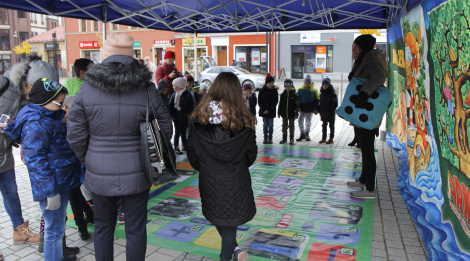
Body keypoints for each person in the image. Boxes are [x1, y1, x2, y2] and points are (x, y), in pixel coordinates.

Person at [66, 32, 173, 261]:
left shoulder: (87, 88)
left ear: (104, 56)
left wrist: (89, 158)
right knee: (135, 228)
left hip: (98, 169)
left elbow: (75, 134)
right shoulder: (146, 87)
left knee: (103, 227)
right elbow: (166, 128)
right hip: (139, 168)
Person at [4, 78, 81, 261]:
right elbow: (36, 162)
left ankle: (58, 256)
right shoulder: (36, 124)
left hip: (60, 181)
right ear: (44, 102)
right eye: (60, 103)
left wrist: (62, 118)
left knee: (57, 228)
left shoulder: (46, 115)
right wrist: (49, 192)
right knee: (53, 231)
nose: (63, 106)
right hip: (52, 186)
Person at [186, 72, 257, 261]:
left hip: (209, 178)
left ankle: (227, 255)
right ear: (236, 91)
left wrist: (207, 166)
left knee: (221, 215)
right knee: (227, 217)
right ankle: (233, 252)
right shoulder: (245, 120)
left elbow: (192, 153)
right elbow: (251, 154)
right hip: (236, 178)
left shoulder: (199, 119)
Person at [0, 55, 56, 255]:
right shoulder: (9, 91)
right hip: (10, 153)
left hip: (5, 154)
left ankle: (21, 231)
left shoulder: (23, 97)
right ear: (28, 83)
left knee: (12, 193)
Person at [346, 34, 389, 199]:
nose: (353, 50)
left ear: (363, 47)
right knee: (364, 149)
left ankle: (370, 189)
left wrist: (365, 93)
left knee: (368, 150)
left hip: (368, 112)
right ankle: (364, 180)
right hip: (363, 112)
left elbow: (379, 77)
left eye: (355, 47)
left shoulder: (371, 61)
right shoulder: (365, 60)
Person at [170, 77, 195, 154]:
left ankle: (184, 145)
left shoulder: (188, 95)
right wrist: (172, 115)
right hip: (176, 118)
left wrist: (189, 114)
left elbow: (192, 105)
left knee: (183, 132)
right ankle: (176, 146)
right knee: (177, 132)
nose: (173, 87)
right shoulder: (174, 95)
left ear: (179, 86)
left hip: (185, 117)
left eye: (174, 86)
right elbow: (171, 106)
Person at [296, 74, 319, 142]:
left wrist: (315, 108)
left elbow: (317, 100)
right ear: (304, 83)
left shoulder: (314, 91)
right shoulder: (300, 90)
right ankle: (302, 133)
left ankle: (307, 133)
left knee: (308, 122)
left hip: (310, 110)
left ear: (311, 83)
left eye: (309, 83)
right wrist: (298, 107)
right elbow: (297, 99)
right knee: (300, 120)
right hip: (302, 109)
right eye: (306, 83)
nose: (307, 85)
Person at [258, 73, 278, 144]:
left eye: (272, 83)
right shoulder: (262, 91)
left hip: (271, 111)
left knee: (271, 124)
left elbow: (275, 102)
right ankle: (265, 137)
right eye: (270, 83)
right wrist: (263, 109)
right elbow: (260, 101)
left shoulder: (275, 91)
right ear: (266, 83)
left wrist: (269, 110)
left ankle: (270, 137)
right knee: (265, 124)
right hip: (264, 111)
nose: (271, 84)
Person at [278, 78, 299, 145]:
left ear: (292, 86)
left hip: (291, 114)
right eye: (287, 86)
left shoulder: (295, 95)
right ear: (285, 87)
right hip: (284, 113)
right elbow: (280, 104)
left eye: (290, 86)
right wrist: (279, 112)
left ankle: (291, 138)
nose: (288, 88)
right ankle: (284, 138)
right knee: (284, 126)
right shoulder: (283, 95)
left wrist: (296, 113)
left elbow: (297, 105)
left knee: (291, 126)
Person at [318, 78, 338, 144]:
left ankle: (331, 138)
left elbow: (335, 104)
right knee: (324, 126)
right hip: (323, 113)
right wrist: (318, 110)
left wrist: (331, 111)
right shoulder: (322, 94)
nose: (325, 86)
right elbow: (319, 103)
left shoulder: (333, 94)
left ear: (329, 85)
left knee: (331, 126)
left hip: (330, 113)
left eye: (326, 84)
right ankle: (324, 138)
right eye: (324, 85)